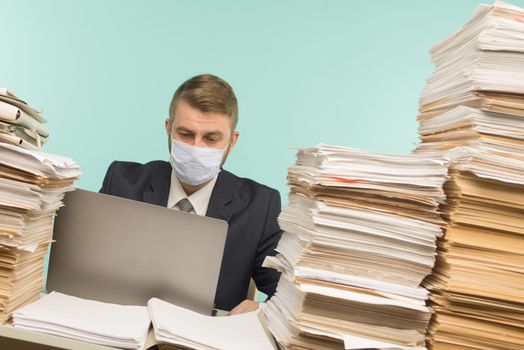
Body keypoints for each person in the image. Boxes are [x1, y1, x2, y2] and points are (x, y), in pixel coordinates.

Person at [99, 74, 282, 314]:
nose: (197, 148)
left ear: (232, 141)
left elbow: (289, 296)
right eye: (185, 134)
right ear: (168, 129)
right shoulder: (122, 182)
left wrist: (262, 312)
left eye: (211, 138)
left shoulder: (260, 206)